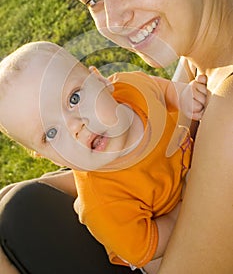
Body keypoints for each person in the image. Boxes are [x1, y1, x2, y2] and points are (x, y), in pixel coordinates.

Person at [1, 0, 232, 272]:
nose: (113, 21)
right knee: (19, 202)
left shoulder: (228, 109)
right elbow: (142, 151)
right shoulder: (198, 59)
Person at [0, 41, 207, 273]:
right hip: (158, 238)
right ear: (49, 157)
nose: (76, 127)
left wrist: (183, 97)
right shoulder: (102, 202)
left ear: (101, 81)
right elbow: (146, 248)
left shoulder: (130, 89)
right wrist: (187, 208)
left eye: (74, 99)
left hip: (183, 166)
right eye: (51, 133)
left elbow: (163, 91)